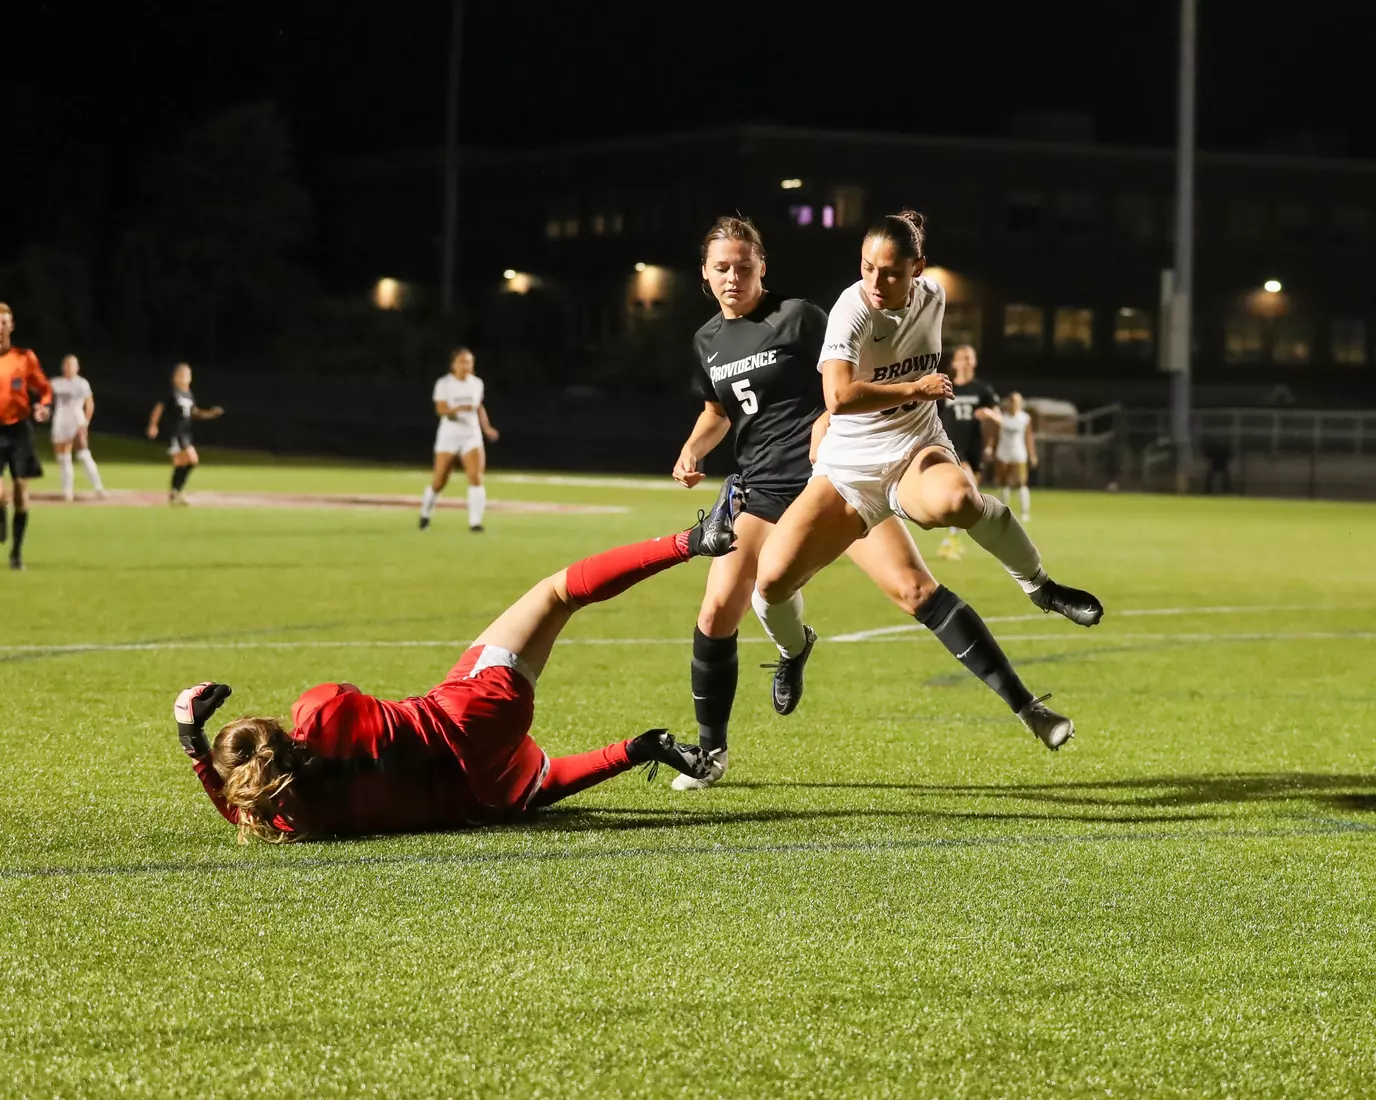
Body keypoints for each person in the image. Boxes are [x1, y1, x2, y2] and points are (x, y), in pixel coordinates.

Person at [672, 218, 1080, 789]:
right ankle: (712, 750)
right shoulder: (707, 341)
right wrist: (692, 449)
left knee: (917, 590)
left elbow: (849, 374)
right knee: (718, 612)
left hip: (838, 477)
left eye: (744, 265)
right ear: (706, 274)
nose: (733, 276)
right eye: (722, 267)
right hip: (761, 491)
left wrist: (828, 419)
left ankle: (1026, 705)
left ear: (763, 266)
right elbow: (719, 412)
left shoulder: (802, 317)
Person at [174, 486, 741, 842]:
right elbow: (341, 700)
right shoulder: (317, 711)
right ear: (270, 731)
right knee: (558, 592)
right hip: (470, 708)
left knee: (530, 789)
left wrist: (202, 755)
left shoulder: (299, 822)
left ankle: (639, 748)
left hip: (482, 798)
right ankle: (692, 540)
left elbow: (241, 807)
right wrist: (192, 736)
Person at [751, 211, 1104, 729]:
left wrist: (876, 405)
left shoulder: (934, 295)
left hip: (914, 446)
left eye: (891, 271)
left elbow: (878, 371)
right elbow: (841, 393)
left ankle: (1040, 588)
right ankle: (794, 647)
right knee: (772, 585)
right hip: (849, 472)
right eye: (867, 267)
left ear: (918, 268)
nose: (875, 281)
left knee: (958, 501)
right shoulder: (852, 308)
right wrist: (906, 391)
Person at [419, 347, 499, 532]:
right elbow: (441, 409)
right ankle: (425, 515)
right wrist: (458, 409)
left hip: (471, 435)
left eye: (469, 362)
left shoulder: (476, 383)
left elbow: (478, 407)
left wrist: (486, 428)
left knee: (476, 477)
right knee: (440, 480)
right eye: (462, 362)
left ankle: (475, 523)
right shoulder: (444, 384)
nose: (466, 366)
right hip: (449, 436)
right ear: (453, 364)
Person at [0, 302, 53, 570]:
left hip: (19, 429)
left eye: (3, 322)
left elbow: (44, 388)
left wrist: (44, 406)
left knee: (21, 493)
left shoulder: (24, 357)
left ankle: (16, 553)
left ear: (11, 326)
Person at [936, 345, 999, 560]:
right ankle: (950, 539)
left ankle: (951, 539)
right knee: (968, 486)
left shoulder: (982, 390)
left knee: (970, 498)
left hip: (974, 446)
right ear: (954, 363)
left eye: (970, 357)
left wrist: (989, 414)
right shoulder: (944, 388)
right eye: (962, 357)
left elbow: (1000, 418)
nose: (966, 361)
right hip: (952, 445)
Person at [146, 363, 223, 505]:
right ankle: (176, 492)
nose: (183, 378)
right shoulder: (171, 393)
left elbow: (195, 412)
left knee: (184, 463)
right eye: (180, 375)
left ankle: (175, 493)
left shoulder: (189, 394)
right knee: (191, 460)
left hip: (186, 434)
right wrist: (153, 425)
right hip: (175, 433)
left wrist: (211, 414)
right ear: (175, 377)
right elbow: (158, 409)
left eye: (186, 375)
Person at [49, 355, 105, 501]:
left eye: (71, 365)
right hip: (60, 423)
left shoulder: (82, 383)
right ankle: (67, 492)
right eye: (66, 365)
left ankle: (99, 488)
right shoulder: (56, 383)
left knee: (83, 455)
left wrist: (85, 423)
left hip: (76, 422)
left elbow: (90, 404)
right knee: (63, 458)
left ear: (77, 367)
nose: (68, 368)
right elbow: (44, 397)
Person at [992, 392, 1036, 522]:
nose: (1015, 405)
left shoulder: (1024, 418)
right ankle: (1002, 511)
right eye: (1012, 402)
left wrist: (1032, 454)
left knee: (1021, 483)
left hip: (1018, 453)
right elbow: (995, 435)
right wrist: (991, 449)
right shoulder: (1001, 417)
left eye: (1017, 402)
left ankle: (1024, 512)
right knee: (1003, 483)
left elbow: (1029, 437)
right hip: (1003, 453)